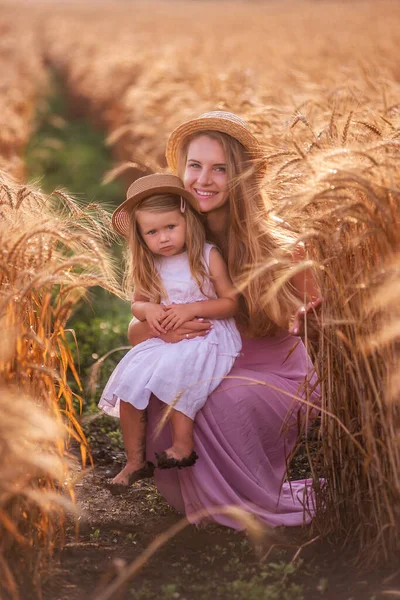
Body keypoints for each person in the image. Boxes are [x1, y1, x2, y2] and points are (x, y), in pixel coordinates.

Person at [114, 111, 323, 529]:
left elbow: (316, 325)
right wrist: (165, 326)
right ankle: (201, 491)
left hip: (268, 374)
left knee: (213, 401)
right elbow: (136, 331)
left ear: (240, 177)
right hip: (199, 364)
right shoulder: (167, 238)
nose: (203, 179)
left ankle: (240, 494)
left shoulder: (278, 246)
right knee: (165, 391)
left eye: (219, 168)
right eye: (194, 166)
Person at [99, 173, 242, 493]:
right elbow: (138, 304)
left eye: (170, 227)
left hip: (206, 334)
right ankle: (135, 460)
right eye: (152, 231)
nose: (163, 237)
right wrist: (148, 311)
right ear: (140, 236)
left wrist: (192, 309)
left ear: (186, 220)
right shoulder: (150, 264)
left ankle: (183, 445)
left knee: (179, 371)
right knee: (129, 379)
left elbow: (231, 302)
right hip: (166, 337)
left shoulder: (207, 255)